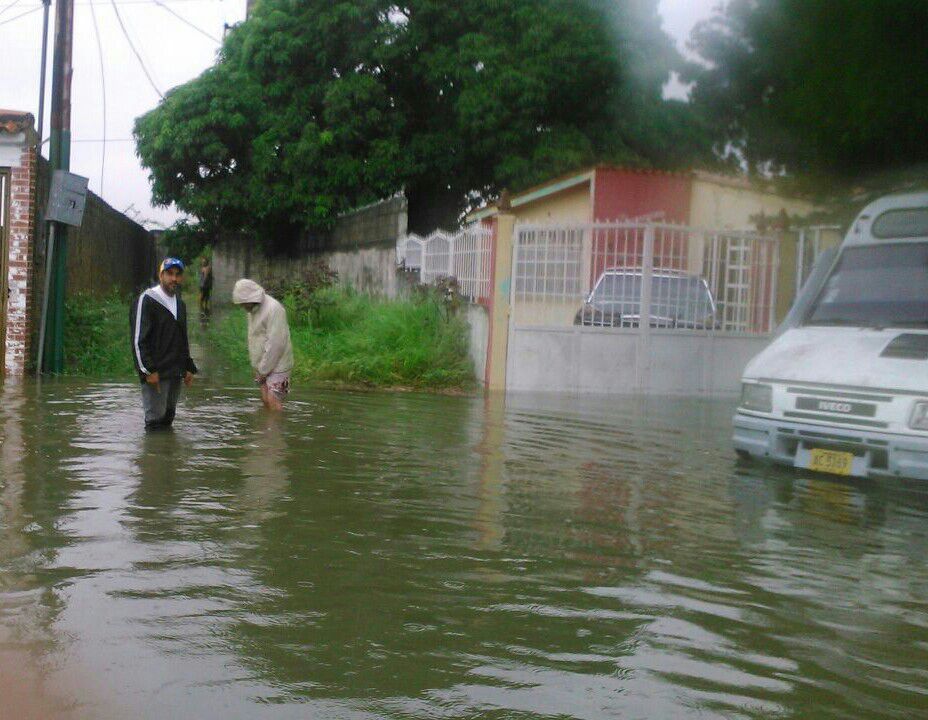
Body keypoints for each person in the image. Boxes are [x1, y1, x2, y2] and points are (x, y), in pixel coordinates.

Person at [130, 258, 197, 429]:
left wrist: (188, 366)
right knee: (154, 422)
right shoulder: (147, 300)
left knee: (168, 419)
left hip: (175, 372)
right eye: (169, 274)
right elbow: (138, 339)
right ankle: (153, 454)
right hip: (156, 374)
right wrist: (148, 370)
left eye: (178, 275)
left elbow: (182, 338)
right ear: (161, 275)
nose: (174, 278)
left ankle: (167, 455)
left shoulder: (180, 304)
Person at [231, 279, 293, 411]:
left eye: (244, 303)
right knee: (265, 399)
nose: (242, 306)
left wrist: (263, 370)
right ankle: (266, 429)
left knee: (273, 400)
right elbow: (255, 337)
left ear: (251, 298)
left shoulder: (274, 309)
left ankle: (276, 430)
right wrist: (258, 365)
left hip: (279, 363)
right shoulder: (252, 310)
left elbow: (276, 344)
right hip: (262, 365)